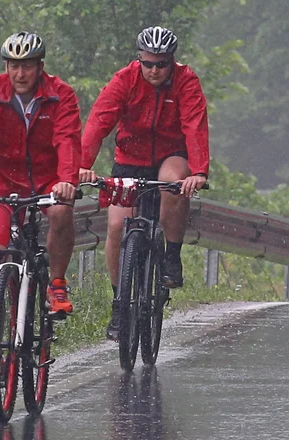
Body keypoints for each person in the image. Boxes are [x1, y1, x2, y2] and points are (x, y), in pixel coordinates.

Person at [0, 32, 81, 383]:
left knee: (60, 211)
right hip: (5, 189)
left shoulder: (60, 95)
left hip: (49, 184)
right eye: (13, 65)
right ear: (5, 66)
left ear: (40, 67)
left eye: (26, 66)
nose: (19, 73)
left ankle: (55, 282)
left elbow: (67, 141)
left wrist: (66, 179)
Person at [79, 26, 209, 340]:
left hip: (170, 154)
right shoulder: (124, 80)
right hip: (130, 157)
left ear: (172, 62)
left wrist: (199, 172)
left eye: (161, 64)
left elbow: (194, 125)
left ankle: (171, 256)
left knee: (172, 181)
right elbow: (98, 122)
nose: (154, 70)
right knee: (115, 226)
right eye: (148, 63)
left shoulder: (186, 81)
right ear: (139, 60)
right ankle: (120, 303)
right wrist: (80, 166)